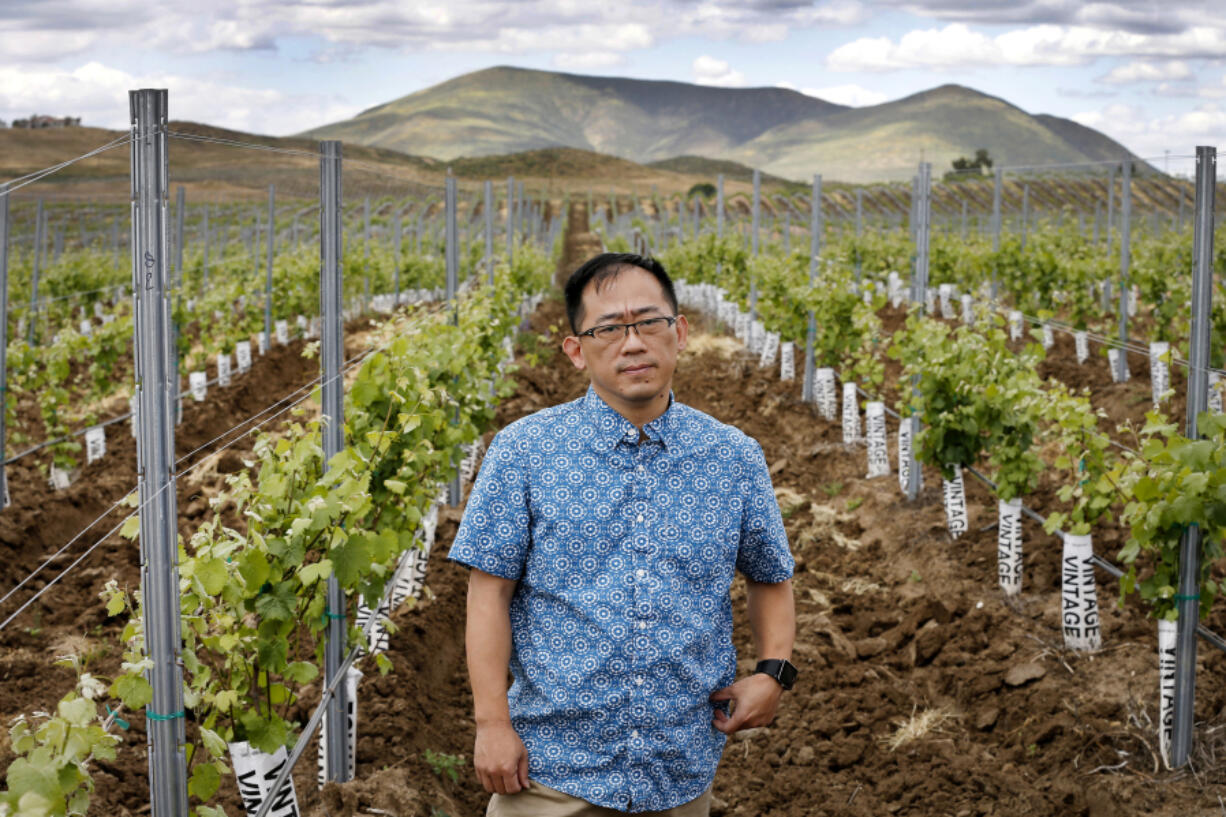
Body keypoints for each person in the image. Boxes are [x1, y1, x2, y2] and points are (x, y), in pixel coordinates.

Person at [448, 252, 797, 816]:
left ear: (680, 333)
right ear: (575, 350)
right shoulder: (524, 451)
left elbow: (770, 575)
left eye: (648, 322)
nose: (632, 343)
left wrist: (773, 672)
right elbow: (488, 593)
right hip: (548, 772)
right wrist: (491, 724)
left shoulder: (732, 456)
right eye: (608, 328)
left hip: (680, 770)